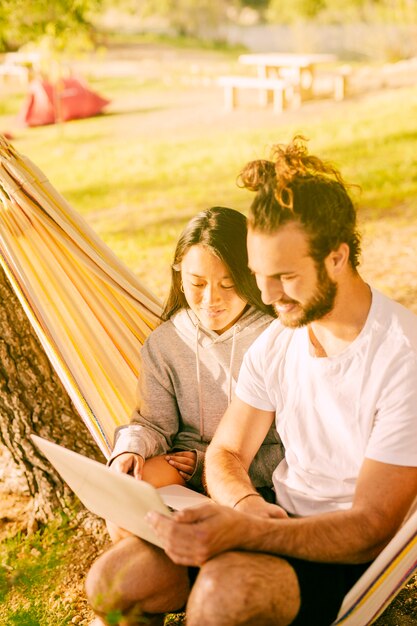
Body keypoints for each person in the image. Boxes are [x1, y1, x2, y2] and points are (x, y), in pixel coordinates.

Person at [138, 136, 417, 626]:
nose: (266, 295)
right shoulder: (279, 341)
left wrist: (245, 533)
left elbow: (372, 528)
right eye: (257, 275)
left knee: (221, 600)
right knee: (120, 581)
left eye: (284, 277)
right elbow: (226, 453)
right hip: (271, 518)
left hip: (345, 554)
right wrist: (246, 505)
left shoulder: (403, 358)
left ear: (337, 256)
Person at [86, 206, 282, 624]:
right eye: (196, 284)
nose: (211, 300)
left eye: (229, 284)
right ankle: (162, 571)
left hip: (252, 482)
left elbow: (292, 447)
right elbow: (154, 424)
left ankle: (187, 575)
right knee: (128, 485)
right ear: (179, 274)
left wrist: (210, 468)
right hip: (185, 476)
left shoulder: (276, 339)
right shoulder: (165, 342)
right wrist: (128, 453)